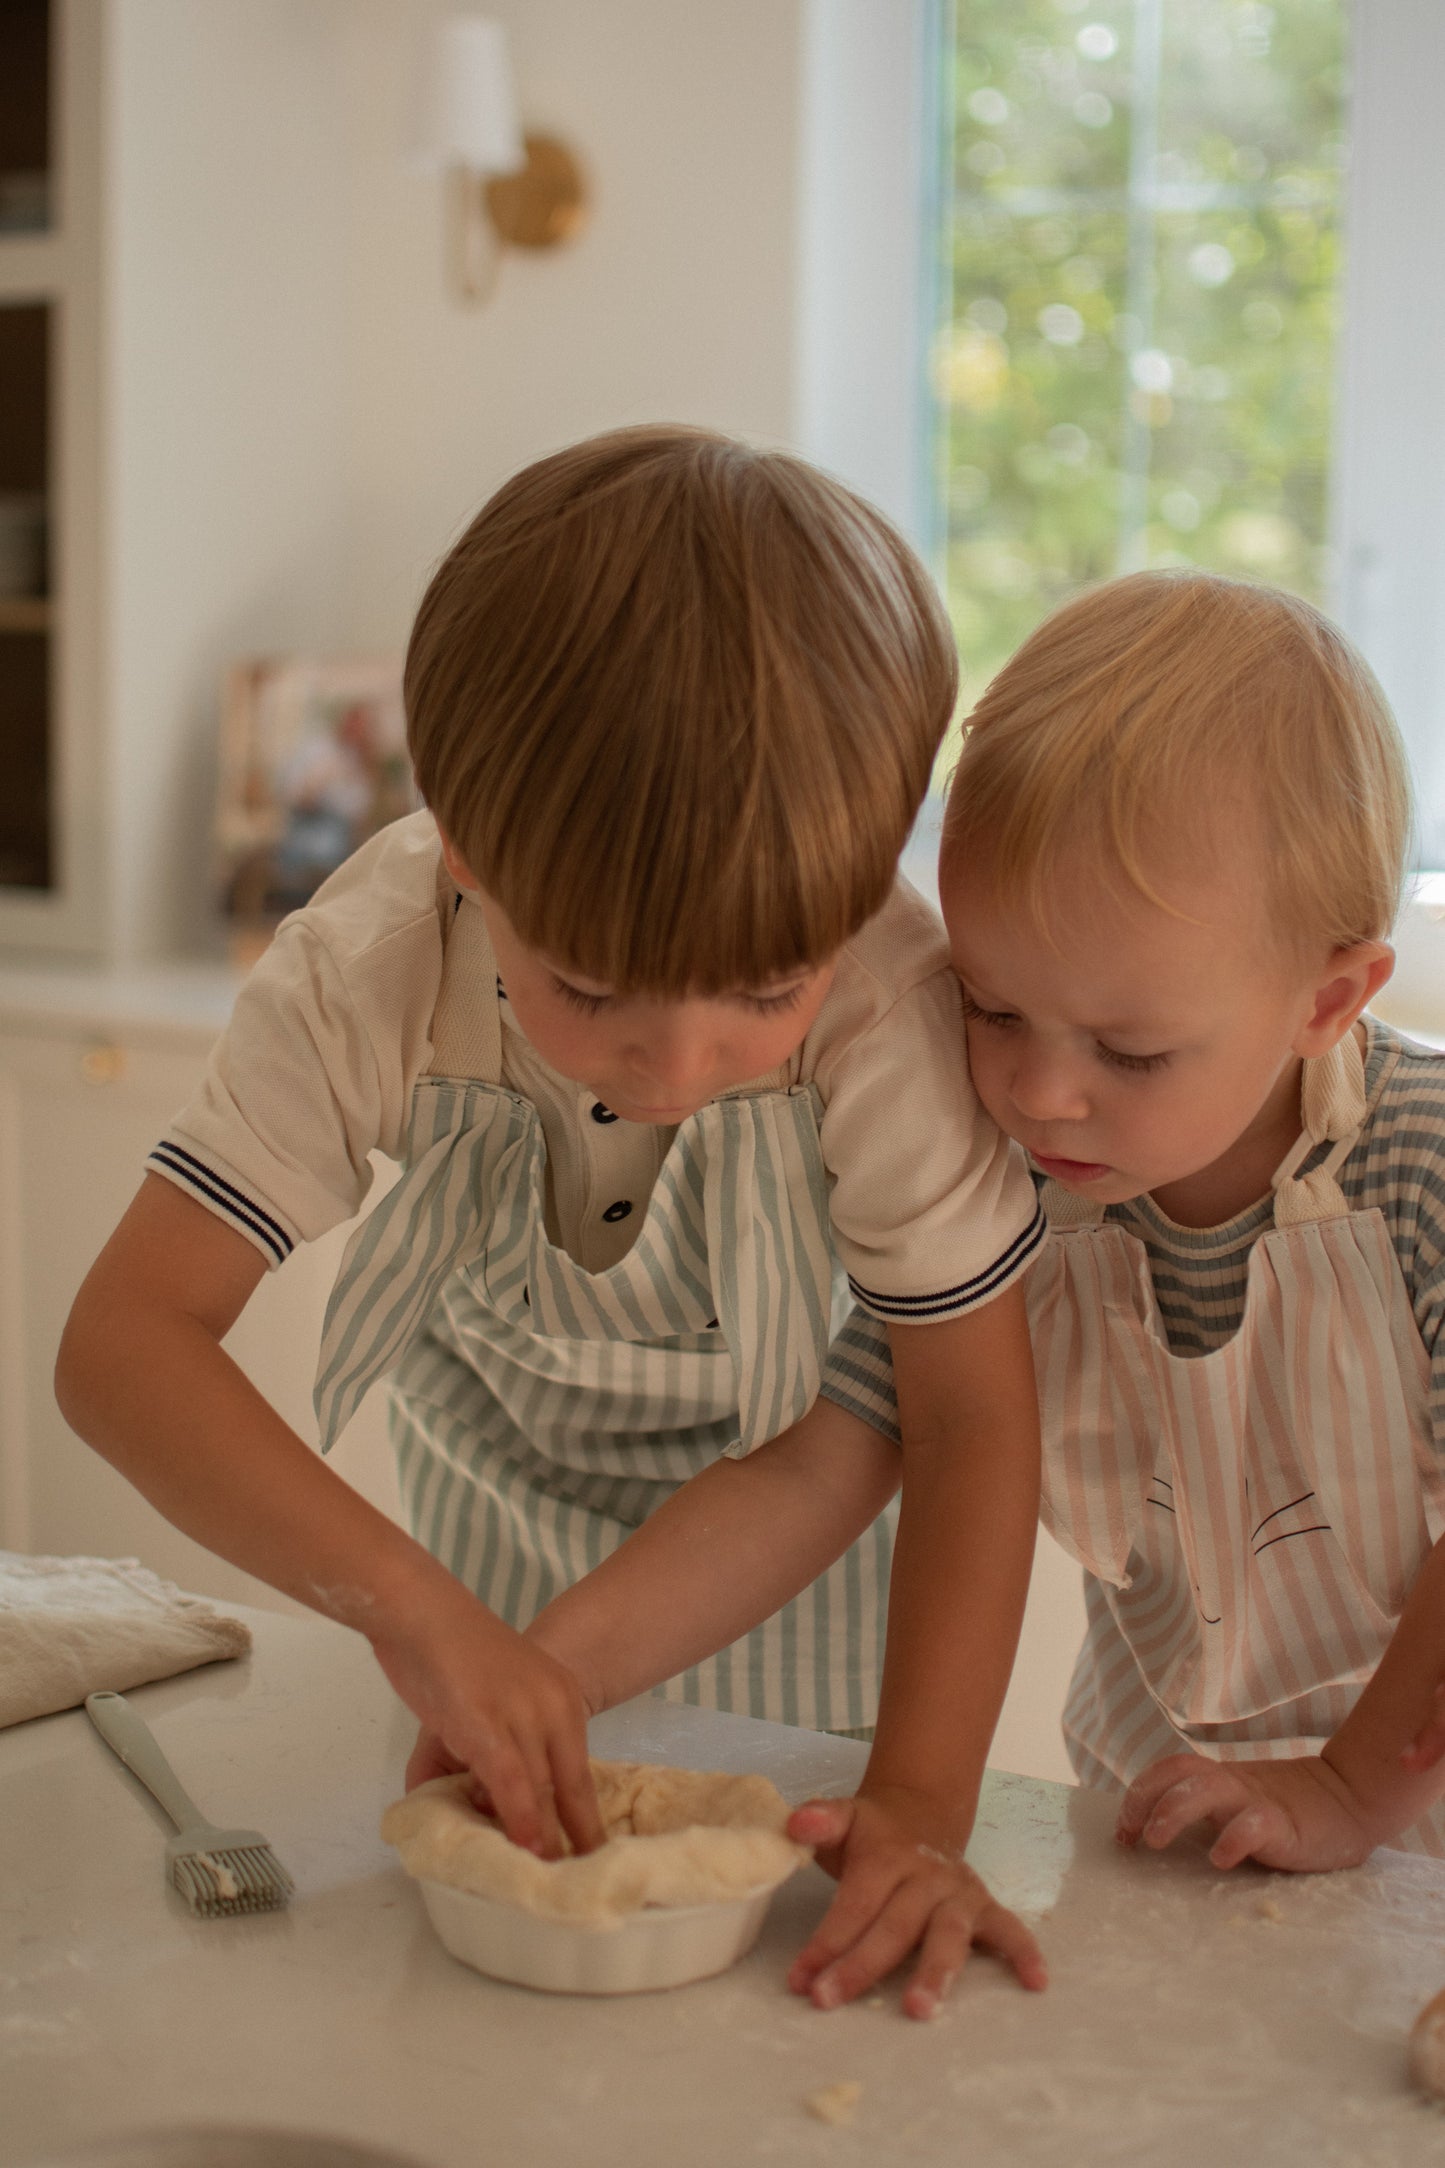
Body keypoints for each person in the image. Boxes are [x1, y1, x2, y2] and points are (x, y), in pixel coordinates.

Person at [56, 425, 1048, 2016]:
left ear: (865, 883)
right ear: (463, 846)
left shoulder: (885, 1002)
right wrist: (421, 1613)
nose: (674, 1067)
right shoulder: (373, 965)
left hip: (816, 1683)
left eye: (761, 996)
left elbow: (970, 1421)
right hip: (470, 1618)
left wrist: (922, 1811)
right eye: (586, 990)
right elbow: (121, 1347)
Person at [813, 568, 1445, 1866]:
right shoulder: (989, 1187)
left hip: (1411, 1849)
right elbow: (825, 1461)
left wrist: (1341, 1794)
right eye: (990, 1008)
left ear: (1324, 1003)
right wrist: (551, 1669)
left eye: (1132, 1051)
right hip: (1151, 1818)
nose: (1038, 1095)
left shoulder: (1423, 1172)